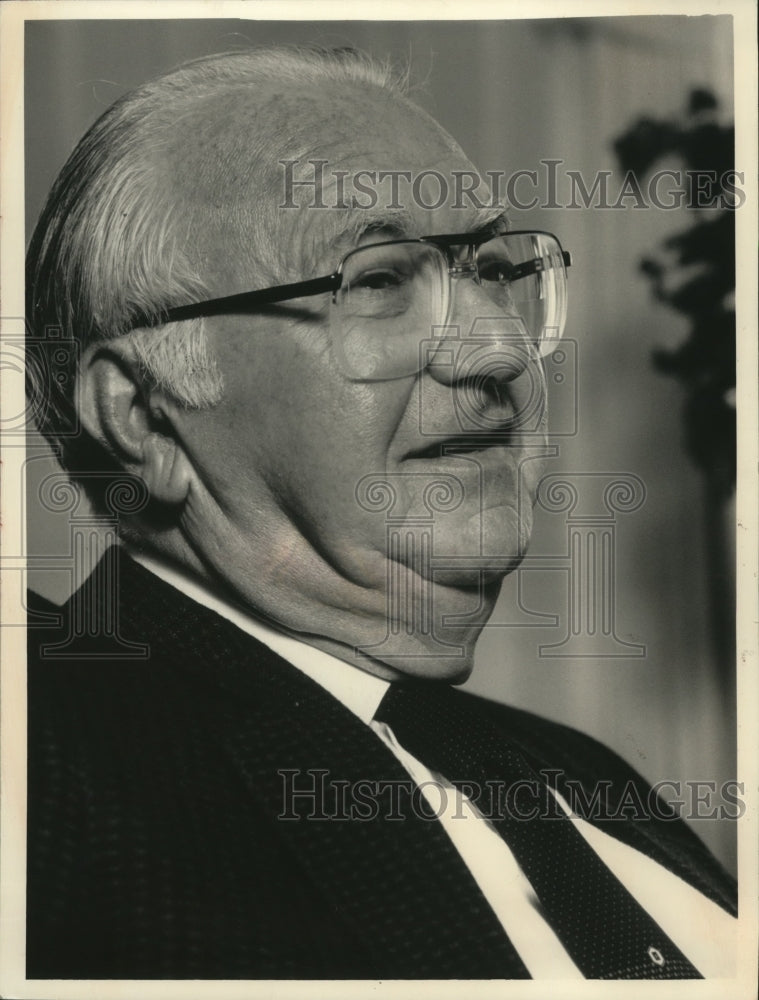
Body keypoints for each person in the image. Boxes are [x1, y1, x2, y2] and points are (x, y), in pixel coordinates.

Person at [25, 46, 736, 980]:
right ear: (146, 412)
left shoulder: (587, 777)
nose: (497, 348)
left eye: (490, 269)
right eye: (376, 281)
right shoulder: (45, 754)